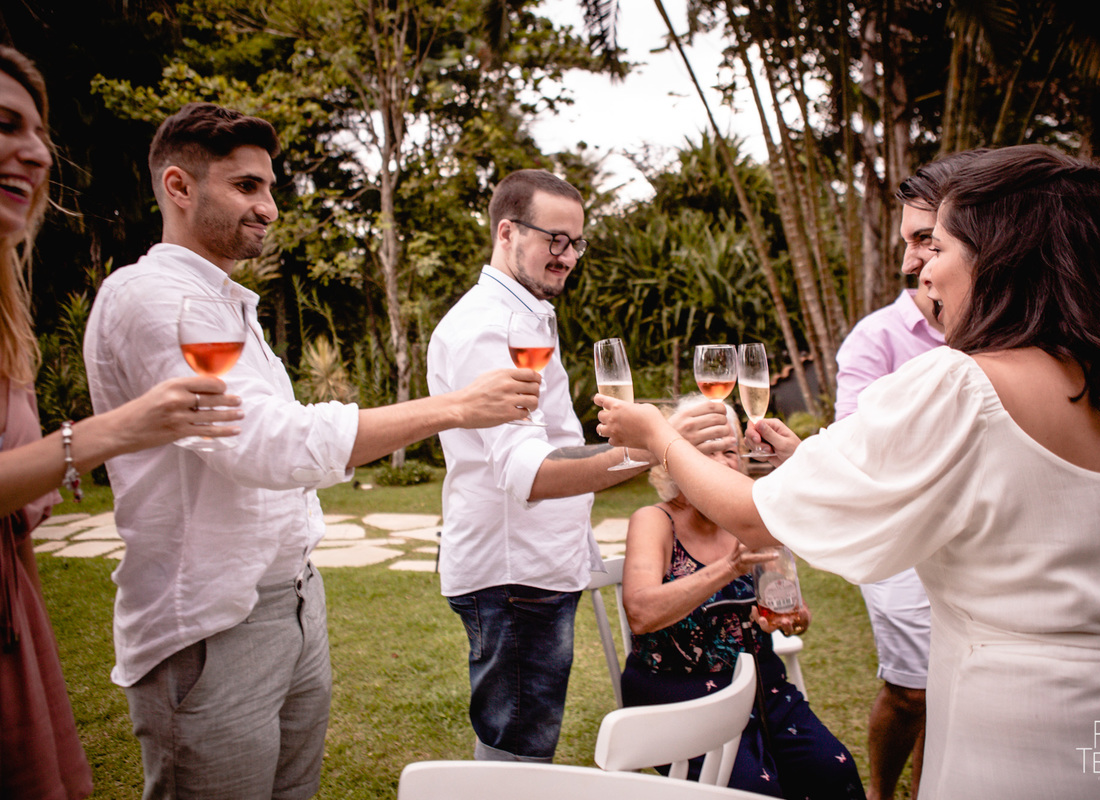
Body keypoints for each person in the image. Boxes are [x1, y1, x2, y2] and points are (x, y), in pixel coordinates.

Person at [596, 144, 1100, 798]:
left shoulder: (962, 387)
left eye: (938, 248)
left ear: (1000, 254)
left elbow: (753, 514)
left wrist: (659, 436)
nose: (922, 274)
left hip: (1030, 733)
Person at [83, 102, 541, 800]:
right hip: (213, 625)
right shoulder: (153, 297)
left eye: (269, 188)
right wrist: (453, 407)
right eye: (246, 187)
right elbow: (266, 445)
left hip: (294, 601)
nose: (268, 207)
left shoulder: (225, 303)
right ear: (179, 187)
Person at [0, 49, 246, 800]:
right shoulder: (148, 294)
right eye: (6, 124)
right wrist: (110, 432)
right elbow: (258, 446)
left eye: (39, 132)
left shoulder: (8, 307)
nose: (39, 152)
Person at [427, 168, 730, 763]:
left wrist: (651, 440)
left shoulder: (529, 312)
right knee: (518, 748)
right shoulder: (491, 328)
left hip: (534, 568)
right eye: (554, 240)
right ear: (507, 231)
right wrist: (659, 443)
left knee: (522, 737)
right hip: (514, 575)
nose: (567, 256)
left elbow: (551, 443)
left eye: (577, 242)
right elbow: (532, 472)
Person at [621, 395, 865, 799]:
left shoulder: (752, 517)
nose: (721, 464)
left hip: (759, 684)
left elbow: (784, 607)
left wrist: (791, 617)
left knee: (831, 768)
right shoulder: (655, 520)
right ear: (674, 462)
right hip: (678, 694)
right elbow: (641, 613)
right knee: (753, 790)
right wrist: (729, 568)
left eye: (730, 451)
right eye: (704, 454)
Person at [834, 151, 980, 800]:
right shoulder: (876, 338)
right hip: (898, 534)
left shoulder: (997, 330)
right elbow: (855, 447)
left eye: (927, 240)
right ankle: (880, 791)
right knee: (913, 686)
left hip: (973, 532)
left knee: (954, 692)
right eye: (910, 242)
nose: (911, 261)